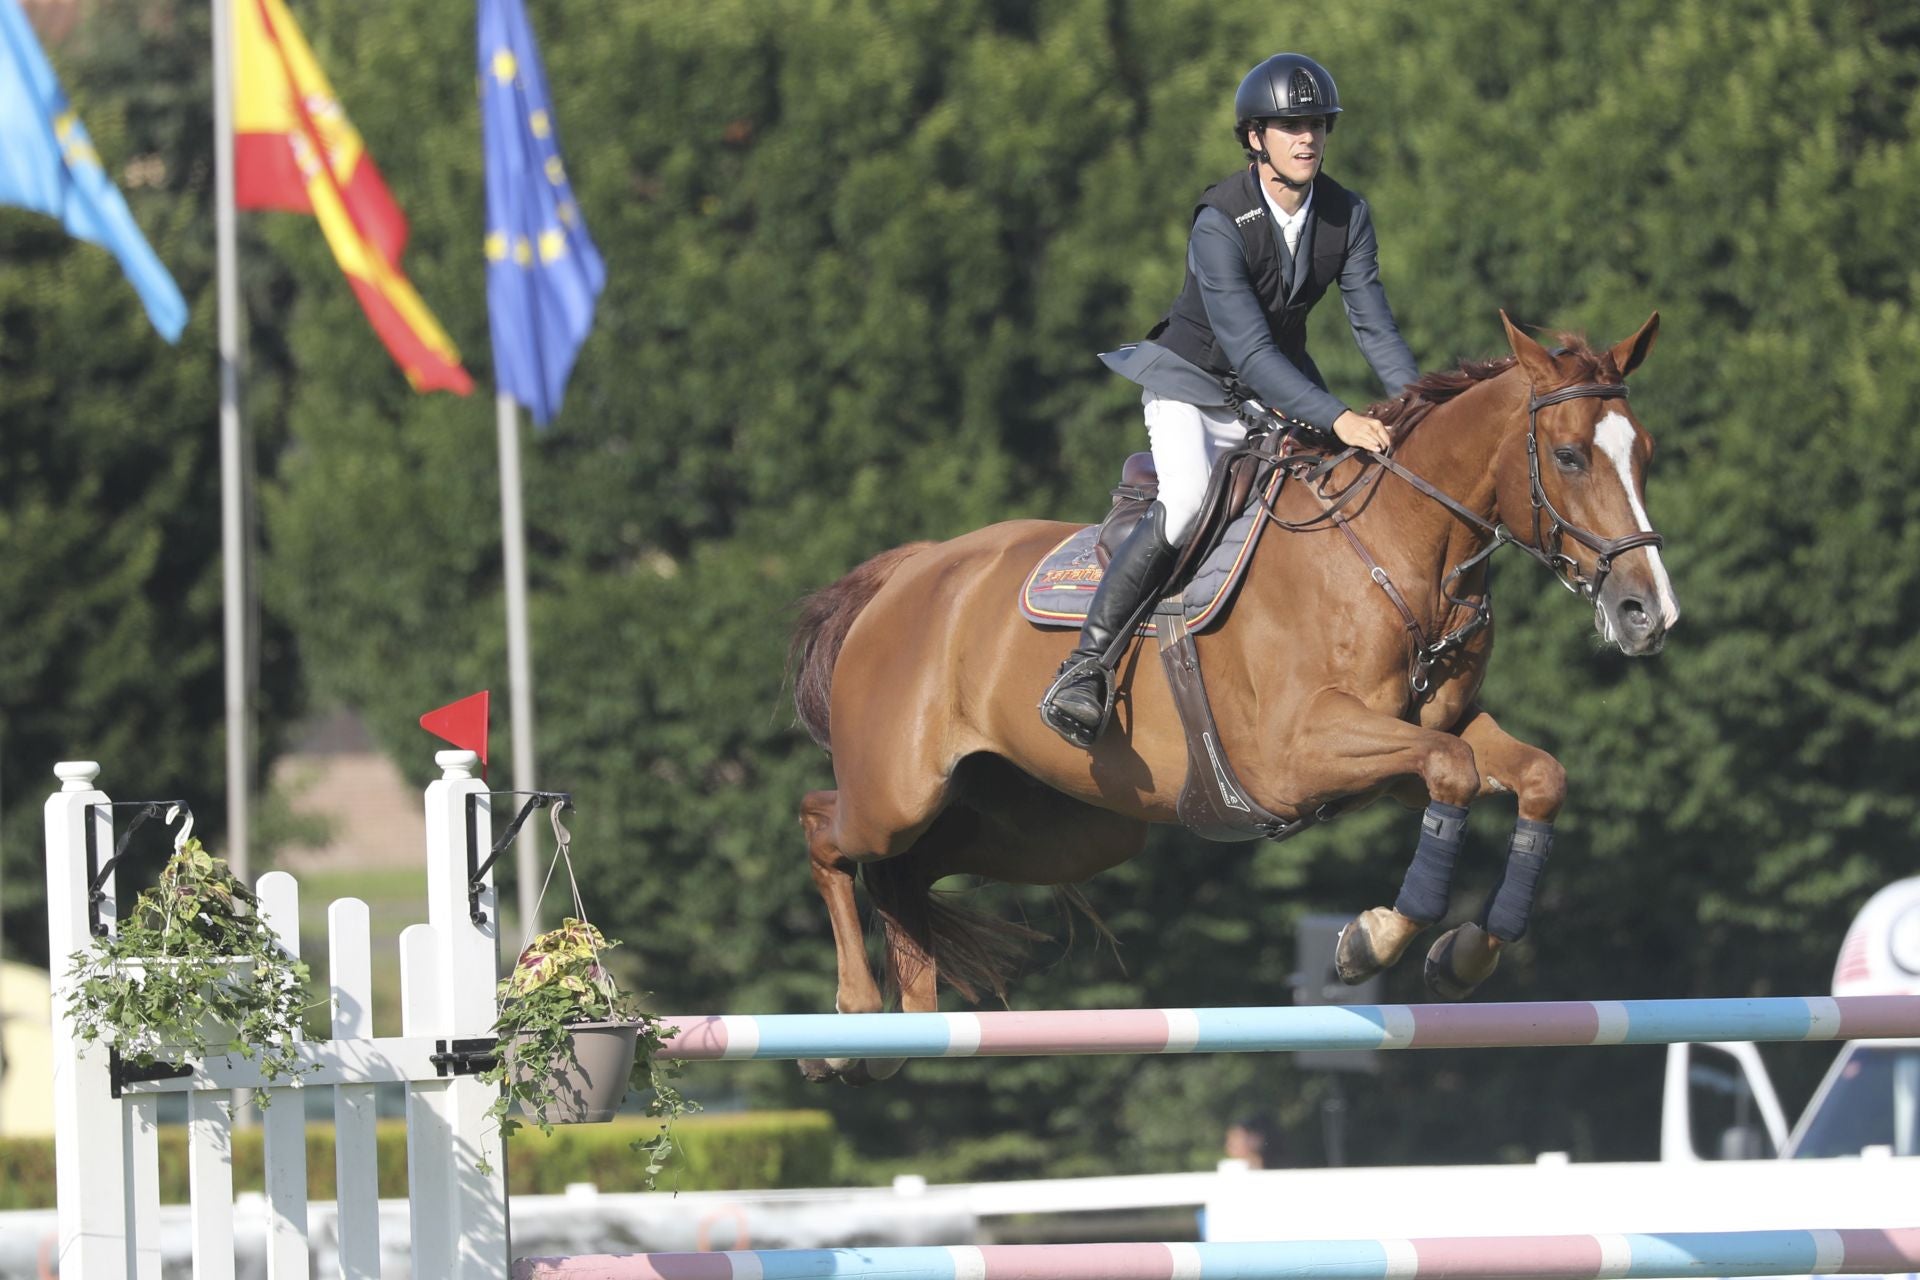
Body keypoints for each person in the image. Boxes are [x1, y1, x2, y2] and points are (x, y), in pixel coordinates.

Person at [1040, 52, 1422, 749]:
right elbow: (1247, 353)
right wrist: (1338, 415)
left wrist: (1417, 407)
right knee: (1186, 503)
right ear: (1255, 138)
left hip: (1269, 392)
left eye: (1316, 124)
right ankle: (1084, 668)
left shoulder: (1347, 215)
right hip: (1193, 386)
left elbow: (1373, 324)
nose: (1307, 138)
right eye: (1288, 126)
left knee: (1328, 495)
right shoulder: (1221, 220)